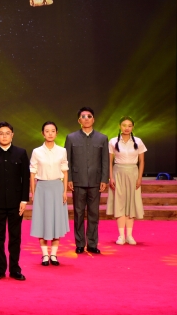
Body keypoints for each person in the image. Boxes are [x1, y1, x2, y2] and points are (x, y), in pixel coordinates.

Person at [0, 121, 30, 281]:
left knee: (15, 236)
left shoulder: (21, 153)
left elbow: (25, 178)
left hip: (16, 203)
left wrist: (24, 200)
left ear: (12, 135)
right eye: (1, 133)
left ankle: (15, 269)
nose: (4, 136)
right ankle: (0, 269)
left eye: (7, 133)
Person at [64, 107, 108, 254]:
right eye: (83, 116)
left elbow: (105, 161)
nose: (86, 119)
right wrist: (69, 178)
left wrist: (104, 179)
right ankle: (80, 243)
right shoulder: (71, 138)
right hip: (78, 181)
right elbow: (67, 160)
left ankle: (92, 244)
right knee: (78, 213)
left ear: (93, 119)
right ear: (79, 120)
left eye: (89, 116)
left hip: (95, 181)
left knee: (94, 214)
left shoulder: (102, 138)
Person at [29, 122, 70, 266]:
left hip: (57, 187)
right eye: (47, 131)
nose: (50, 133)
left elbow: (65, 171)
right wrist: (33, 192)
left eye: (53, 131)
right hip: (42, 188)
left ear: (56, 133)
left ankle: (54, 254)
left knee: (56, 220)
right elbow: (32, 172)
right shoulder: (37, 152)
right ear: (43, 133)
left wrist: (64, 191)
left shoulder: (62, 151)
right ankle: (45, 255)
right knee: (42, 221)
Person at [107, 116, 147, 245]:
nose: (127, 128)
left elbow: (142, 161)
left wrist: (139, 178)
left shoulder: (138, 141)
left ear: (133, 127)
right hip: (118, 173)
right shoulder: (113, 141)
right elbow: (109, 162)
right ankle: (121, 236)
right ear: (120, 126)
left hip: (133, 173)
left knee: (131, 203)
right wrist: (111, 177)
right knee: (120, 203)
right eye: (124, 125)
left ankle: (129, 235)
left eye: (129, 126)